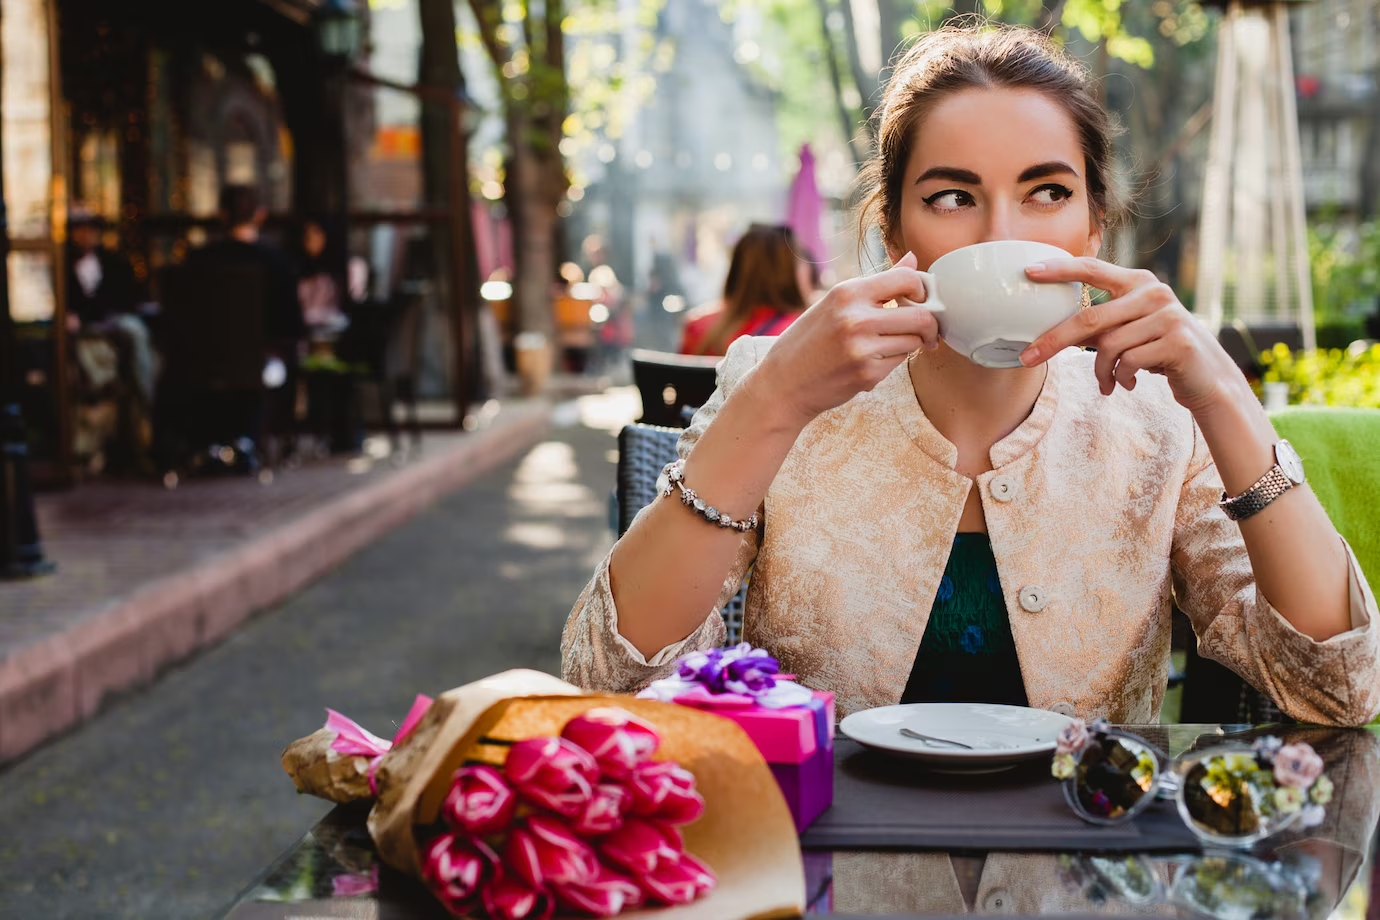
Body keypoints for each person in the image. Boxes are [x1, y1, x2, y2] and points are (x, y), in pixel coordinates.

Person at [562, 24, 1380, 727]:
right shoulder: (782, 386)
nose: (1001, 237)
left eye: (1046, 192)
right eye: (954, 197)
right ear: (892, 226)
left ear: (1093, 225)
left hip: (1079, 879)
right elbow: (608, 681)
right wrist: (772, 400)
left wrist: (1226, 399)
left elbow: (1339, 690)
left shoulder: (1163, 419)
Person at [678, 224, 809, 357]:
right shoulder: (801, 334)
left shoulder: (696, 326)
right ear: (789, 272)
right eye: (801, 260)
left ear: (736, 268)